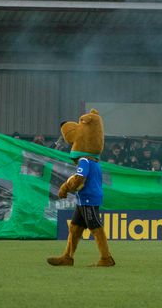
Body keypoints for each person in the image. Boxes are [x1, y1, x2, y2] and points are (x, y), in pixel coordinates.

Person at [48, 109, 115, 267]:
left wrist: (65, 187)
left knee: (95, 226)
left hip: (88, 198)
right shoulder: (94, 162)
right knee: (75, 227)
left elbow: (79, 179)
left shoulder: (84, 160)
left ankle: (106, 258)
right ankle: (67, 257)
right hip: (84, 198)